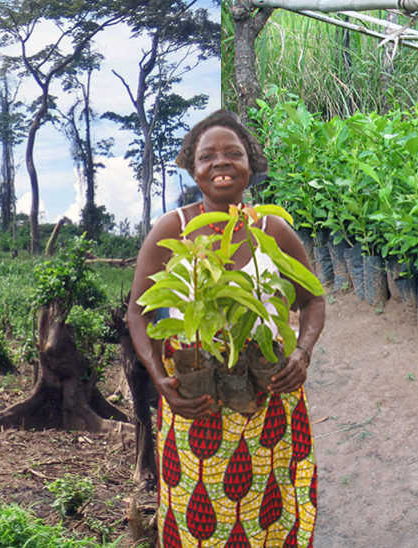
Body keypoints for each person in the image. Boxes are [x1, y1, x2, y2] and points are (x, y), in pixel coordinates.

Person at [127, 109, 324, 548]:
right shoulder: (172, 230)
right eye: (208, 156)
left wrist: (302, 352)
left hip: (270, 400)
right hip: (197, 405)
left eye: (233, 154)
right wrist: (160, 378)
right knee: (197, 522)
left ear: (250, 165)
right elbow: (138, 314)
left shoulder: (272, 228)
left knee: (273, 517)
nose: (221, 163)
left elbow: (312, 299)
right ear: (192, 168)